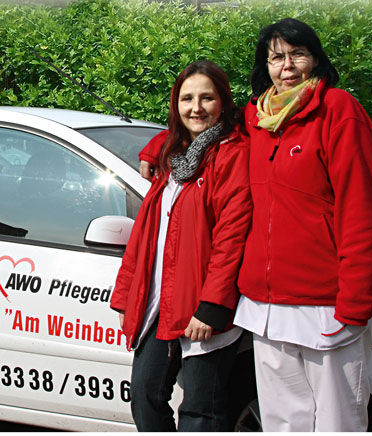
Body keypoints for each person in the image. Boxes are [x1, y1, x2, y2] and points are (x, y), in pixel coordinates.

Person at [229, 18, 372, 432]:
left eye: (297, 54)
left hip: (328, 302)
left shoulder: (339, 110)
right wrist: (160, 144)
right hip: (266, 305)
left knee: (339, 423)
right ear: (264, 66)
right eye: (276, 57)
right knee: (283, 423)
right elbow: (203, 131)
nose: (287, 66)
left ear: (315, 59)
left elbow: (363, 209)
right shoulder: (255, 118)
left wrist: (355, 301)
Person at [109, 60, 252, 432]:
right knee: (144, 396)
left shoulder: (233, 153)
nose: (196, 107)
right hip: (159, 304)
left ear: (223, 102)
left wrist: (213, 305)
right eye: (187, 99)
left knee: (201, 413)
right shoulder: (174, 158)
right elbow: (144, 236)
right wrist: (126, 296)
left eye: (207, 97)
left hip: (203, 312)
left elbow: (231, 236)